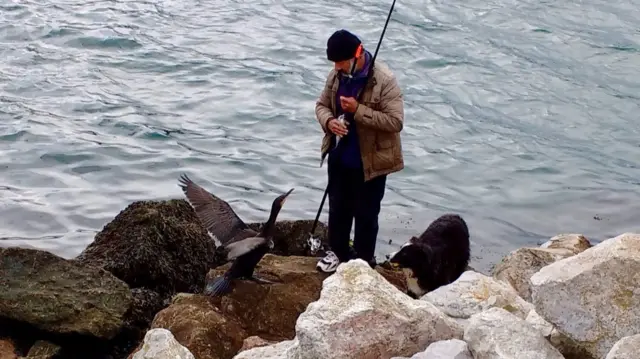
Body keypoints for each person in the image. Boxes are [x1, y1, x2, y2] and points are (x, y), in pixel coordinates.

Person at [314, 29, 405, 273]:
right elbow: (321, 105)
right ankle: (339, 253)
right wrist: (329, 122)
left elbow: (395, 122)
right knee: (338, 210)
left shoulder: (384, 80)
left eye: (342, 63)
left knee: (366, 216)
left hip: (371, 162)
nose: (337, 68)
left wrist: (358, 110)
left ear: (357, 54)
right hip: (340, 155)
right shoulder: (336, 76)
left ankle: (364, 264)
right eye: (335, 63)